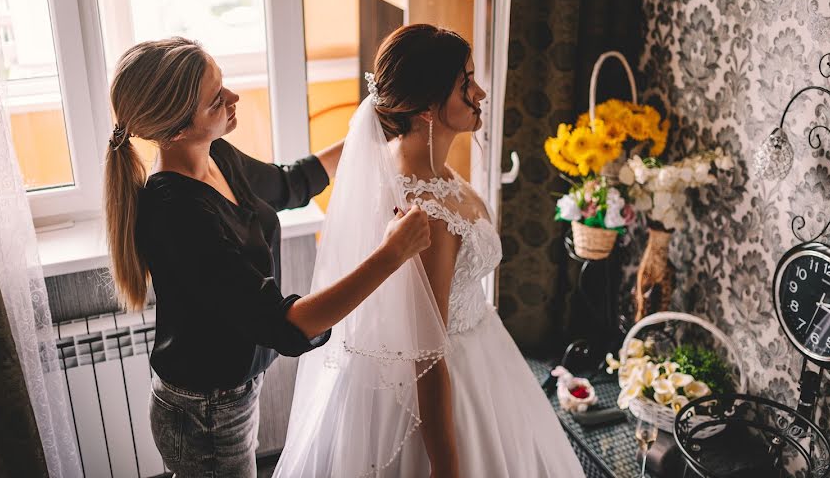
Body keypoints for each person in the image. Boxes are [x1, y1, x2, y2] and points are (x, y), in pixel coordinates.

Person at [103, 36, 430, 477]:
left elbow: (290, 183)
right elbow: (285, 324)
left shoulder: (214, 153)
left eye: (224, 84)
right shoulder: (178, 215)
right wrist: (392, 255)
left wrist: (372, 129)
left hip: (228, 394)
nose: (234, 98)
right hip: (205, 415)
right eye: (216, 99)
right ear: (177, 129)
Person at [275, 24, 586, 477]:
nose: (479, 92)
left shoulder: (422, 165)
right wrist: (446, 466)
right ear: (426, 107)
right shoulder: (427, 214)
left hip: (484, 352)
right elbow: (428, 355)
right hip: (449, 382)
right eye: (466, 83)